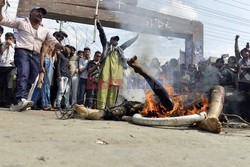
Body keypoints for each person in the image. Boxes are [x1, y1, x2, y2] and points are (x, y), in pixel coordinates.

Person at [0, 1, 66, 111]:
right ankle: (21, 99)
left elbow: (53, 41)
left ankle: (18, 102)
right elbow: (2, 20)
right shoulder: (21, 23)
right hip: (22, 52)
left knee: (31, 79)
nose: (40, 14)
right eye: (38, 12)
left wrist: (61, 46)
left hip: (35, 55)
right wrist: (1, 7)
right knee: (23, 73)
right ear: (31, 13)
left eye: (42, 13)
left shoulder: (45, 30)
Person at [96, 15, 139, 110]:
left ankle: (111, 109)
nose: (115, 41)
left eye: (117, 40)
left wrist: (135, 38)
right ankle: (100, 108)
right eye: (114, 39)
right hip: (106, 73)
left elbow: (127, 44)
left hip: (116, 74)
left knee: (113, 91)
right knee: (103, 90)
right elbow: (102, 35)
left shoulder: (120, 50)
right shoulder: (106, 46)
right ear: (110, 40)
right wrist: (99, 24)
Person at [0, 32, 16, 107]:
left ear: (13, 39)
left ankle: (7, 101)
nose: (8, 40)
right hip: (2, 66)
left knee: (9, 84)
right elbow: (1, 52)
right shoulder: (2, 44)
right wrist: (5, 46)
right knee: (1, 84)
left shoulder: (15, 46)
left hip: (11, 67)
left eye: (10, 38)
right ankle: (1, 100)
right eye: (7, 38)